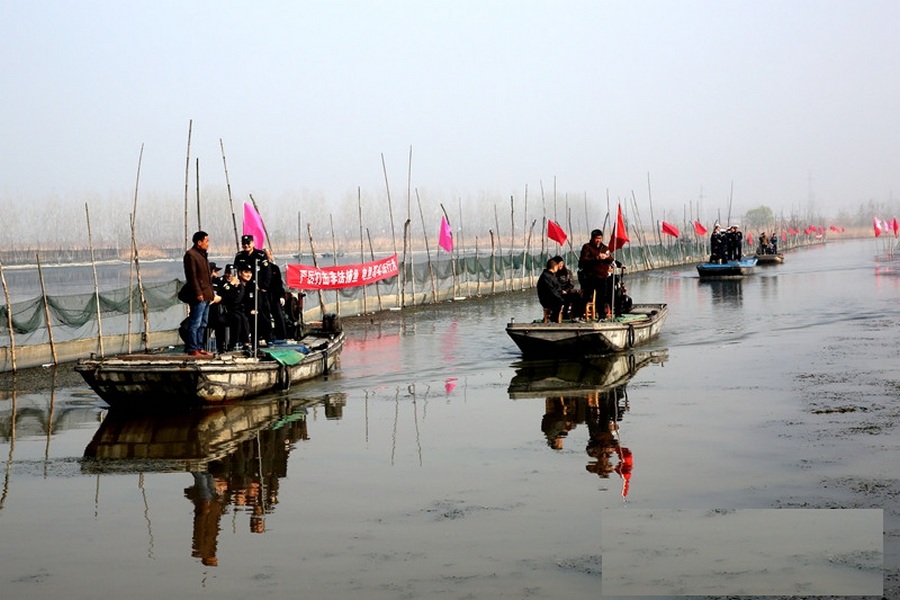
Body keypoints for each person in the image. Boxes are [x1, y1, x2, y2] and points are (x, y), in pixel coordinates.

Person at [182, 231, 219, 357]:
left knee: (203, 323)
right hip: (199, 295)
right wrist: (198, 293)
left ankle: (199, 346)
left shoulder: (202, 255)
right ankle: (193, 348)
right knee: (195, 323)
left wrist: (211, 294)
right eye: (206, 241)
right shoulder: (191, 255)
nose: (208, 244)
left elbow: (207, 277)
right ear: (199, 242)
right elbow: (192, 277)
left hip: (207, 294)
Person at [234, 235, 272, 345]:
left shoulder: (260, 255)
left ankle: (268, 338)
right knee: (246, 313)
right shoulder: (239, 256)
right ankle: (247, 339)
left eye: (248, 243)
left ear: (253, 243)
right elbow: (235, 271)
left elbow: (267, 272)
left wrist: (264, 286)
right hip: (244, 287)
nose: (246, 245)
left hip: (258, 288)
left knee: (264, 313)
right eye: (244, 244)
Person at [578, 229, 617, 315]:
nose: (598, 240)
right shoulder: (587, 247)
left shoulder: (604, 248)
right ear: (592, 238)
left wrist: (607, 258)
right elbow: (584, 260)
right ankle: (579, 315)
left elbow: (610, 258)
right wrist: (597, 258)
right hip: (590, 276)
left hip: (602, 277)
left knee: (601, 297)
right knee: (586, 296)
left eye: (600, 238)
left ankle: (601, 316)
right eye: (596, 238)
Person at [214, 264, 249, 352]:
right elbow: (219, 294)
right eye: (228, 273)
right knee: (219, 322)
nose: (230, 276)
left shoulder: (239, 284)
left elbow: (237, 299)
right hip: (220, 310)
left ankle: (236, 343)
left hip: (232, 310)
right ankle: (220, 346)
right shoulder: (220, 281)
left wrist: (230, 290)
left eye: (232, 274)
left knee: (241, 319)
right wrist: (230, 285)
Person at [265, 248, 288, 341]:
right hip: (264, 296)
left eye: (269, 254)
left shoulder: (275, 268)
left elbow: (279, 284)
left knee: (279, 316)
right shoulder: (259, 268)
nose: (267, 256)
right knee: (265, 317)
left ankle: (282, 336)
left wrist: (281, 296)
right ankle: (267, 336)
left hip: (274, 296)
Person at [537, 257, 566, 322]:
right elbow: (551, 290)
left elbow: (556, 288)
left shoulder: (551, 275)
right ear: (555, 266)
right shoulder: (546, 276)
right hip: (548, 299)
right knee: (560, 301)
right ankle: (553, 319)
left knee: (575, 297)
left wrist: (562, 292)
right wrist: (560, 297)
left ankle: (574, 316)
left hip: (555, 296)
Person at [552, 255, 581, 319]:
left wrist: (566, 290)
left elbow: (571, 284)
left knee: (576, 296)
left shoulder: (568, 272)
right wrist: (560, 291)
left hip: (567, 292)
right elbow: (552, 285)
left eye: (561, 263)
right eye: (558, 264)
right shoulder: (553, 274)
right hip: (557, 293)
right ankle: (562, 315)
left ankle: (576, 315)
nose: (560, 265)